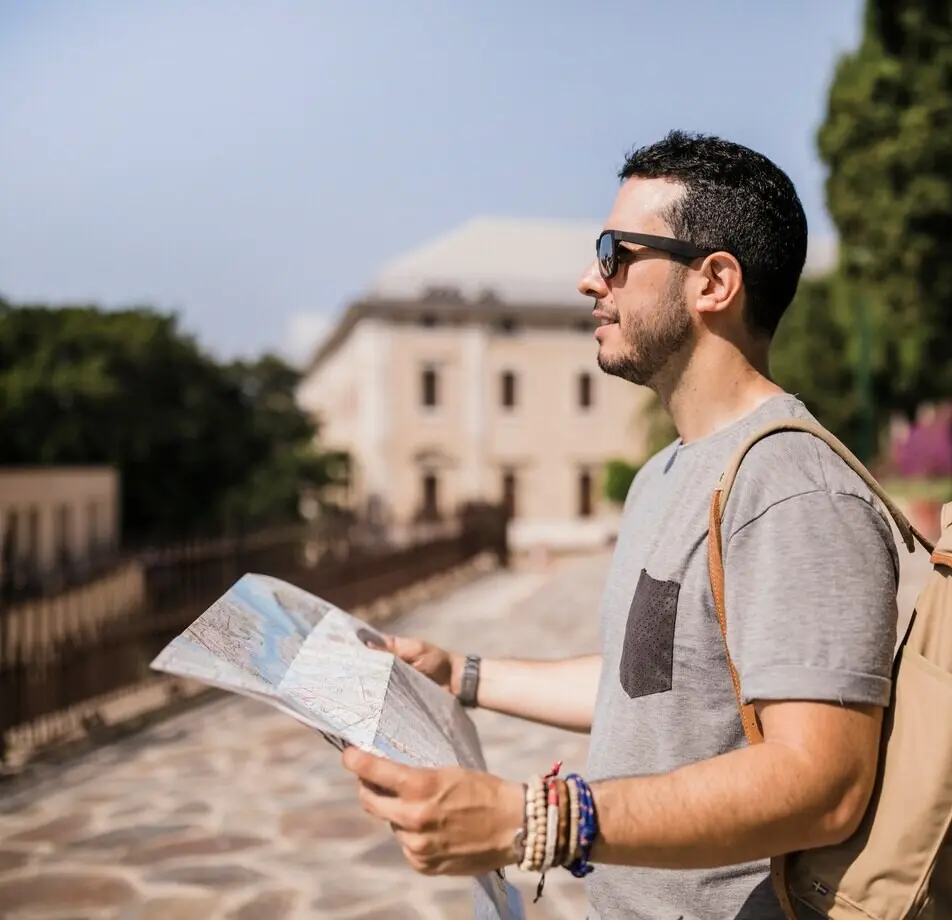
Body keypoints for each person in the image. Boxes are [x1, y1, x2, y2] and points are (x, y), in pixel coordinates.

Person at [342, 130, 901, 920]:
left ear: (714, 282)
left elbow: (825, 783)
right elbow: (648, 687)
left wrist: (540, 821)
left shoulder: (792, 490)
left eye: (616, 254)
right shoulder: (663, 475)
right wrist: (461, 675)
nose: (586, 280)